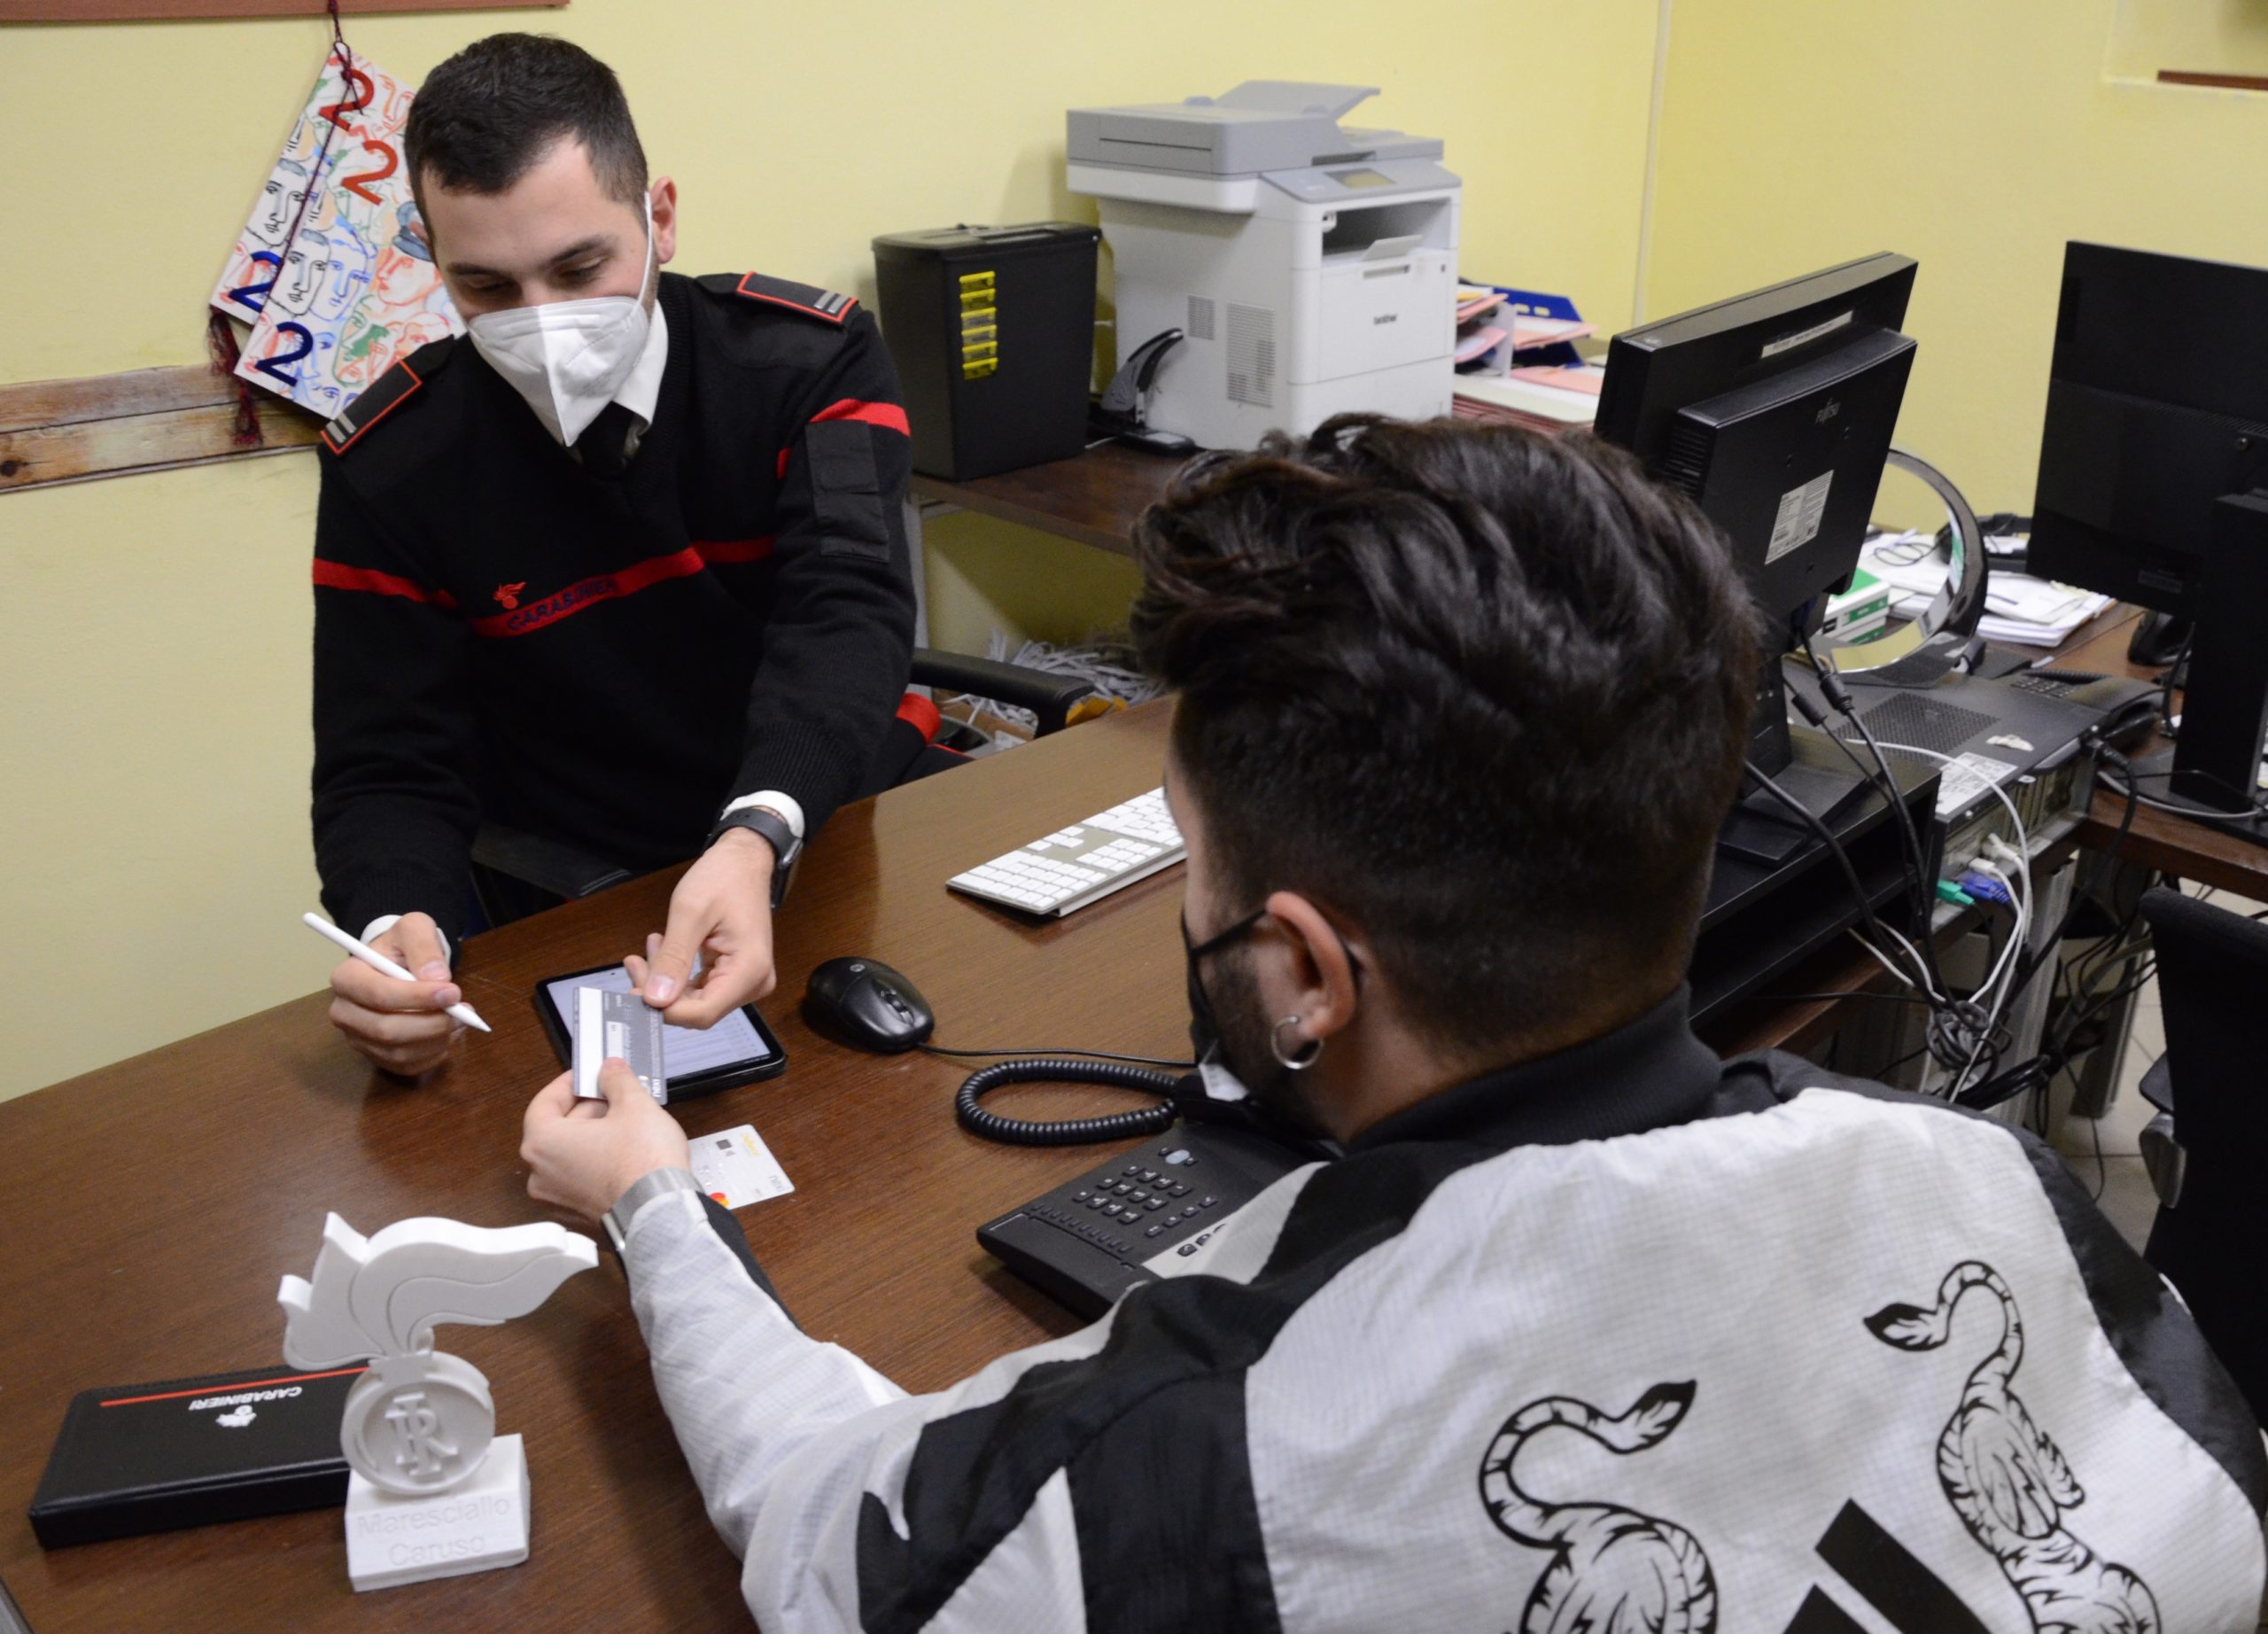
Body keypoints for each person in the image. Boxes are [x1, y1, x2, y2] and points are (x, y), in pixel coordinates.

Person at [520, 416, 2266, 1630]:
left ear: (1301, 972)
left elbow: (829, 1535)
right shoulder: (1993, 1184)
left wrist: (651, 1200)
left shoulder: (1214, 1447)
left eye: (1194, 870)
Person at [314, 34, 921, 1076]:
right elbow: (385, 758)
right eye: (486, 286)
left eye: (579, 268)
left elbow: (849, 605)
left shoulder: (808, 363)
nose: (543, 325)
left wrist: (756, 832)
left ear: (661, 218)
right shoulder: (394, 464)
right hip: (585, 881)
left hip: (817, 816)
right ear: (435, 261)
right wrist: (391, 925)